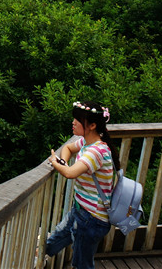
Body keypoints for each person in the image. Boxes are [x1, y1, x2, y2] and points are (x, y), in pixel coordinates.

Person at [43, 100, 119, 269]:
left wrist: (55, 162)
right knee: (53, 241)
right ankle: (38, 257)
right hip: (81, 210)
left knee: (82, 264)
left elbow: (70, 173)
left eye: (77, 120)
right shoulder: (87, 142)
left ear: (92, 125)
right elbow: (68, 148)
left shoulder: (96, 152)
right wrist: (62, 160)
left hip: (92, 219)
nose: (73, 122)